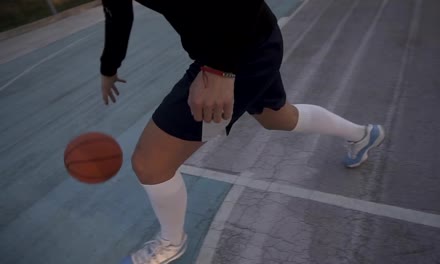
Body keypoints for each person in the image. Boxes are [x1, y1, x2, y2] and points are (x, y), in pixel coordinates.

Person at [99, 0, 385, 263]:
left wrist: (220, 69)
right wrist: (108, 67)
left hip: (238, 51)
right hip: (249, 42)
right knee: (278, 117)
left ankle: (171, 242)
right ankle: (362, 134)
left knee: (151, 164)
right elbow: (118, 12)